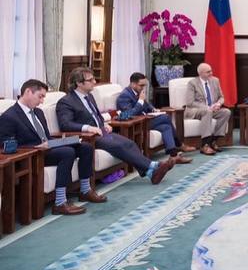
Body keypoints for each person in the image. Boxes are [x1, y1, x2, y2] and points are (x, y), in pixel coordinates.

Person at [0, 79, 107, 215]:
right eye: (40, 96)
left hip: (49, 147)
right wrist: (36, 147)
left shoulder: (38, 112)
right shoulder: (9, 116)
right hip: (33, 155)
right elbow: (5, 146)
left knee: (85, 147)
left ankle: (85, 191)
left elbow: (47, 137)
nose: (42, 101)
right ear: (28, 92)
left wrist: (62, 141)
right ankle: (60, 203)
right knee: (67, 152)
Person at [56, 67, 176, 185]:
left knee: (130, 143)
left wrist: (104, 124)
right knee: (119, 146)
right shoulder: (66, 101)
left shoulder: (89, 96)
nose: (94, 82)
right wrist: (88, 128)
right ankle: (154, 166)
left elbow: (96, 115)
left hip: (102, 131)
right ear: (79, 83)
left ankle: (151, 173)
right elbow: (65, 124)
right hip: (88, 137)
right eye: (90, 80)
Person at [117, 72, 194, 164]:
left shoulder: (137, 91)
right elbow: (130, 114)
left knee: (166, 127)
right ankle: (179, 144)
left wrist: (154, 109)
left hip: (146, 120)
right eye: (141, 85)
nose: (143, 88)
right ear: (133, 84)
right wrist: (140, 100)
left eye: (144, 85)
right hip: (138, 124)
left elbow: (146, 104)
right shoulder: (124, 96)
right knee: (165, 117)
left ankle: (174, 155)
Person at [185, 63, 232, 156]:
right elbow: (189, 102)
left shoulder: (215, 80)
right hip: (196, 110)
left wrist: (218, 104)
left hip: (212, 109)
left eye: (211, 71)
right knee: (208, 111)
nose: (211, 73)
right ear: (200, 73)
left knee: (226, 112)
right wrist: (207, 107)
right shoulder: (192, 83)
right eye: (208, 72)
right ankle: (205, 145)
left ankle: (213, 141)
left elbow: (221, 97)